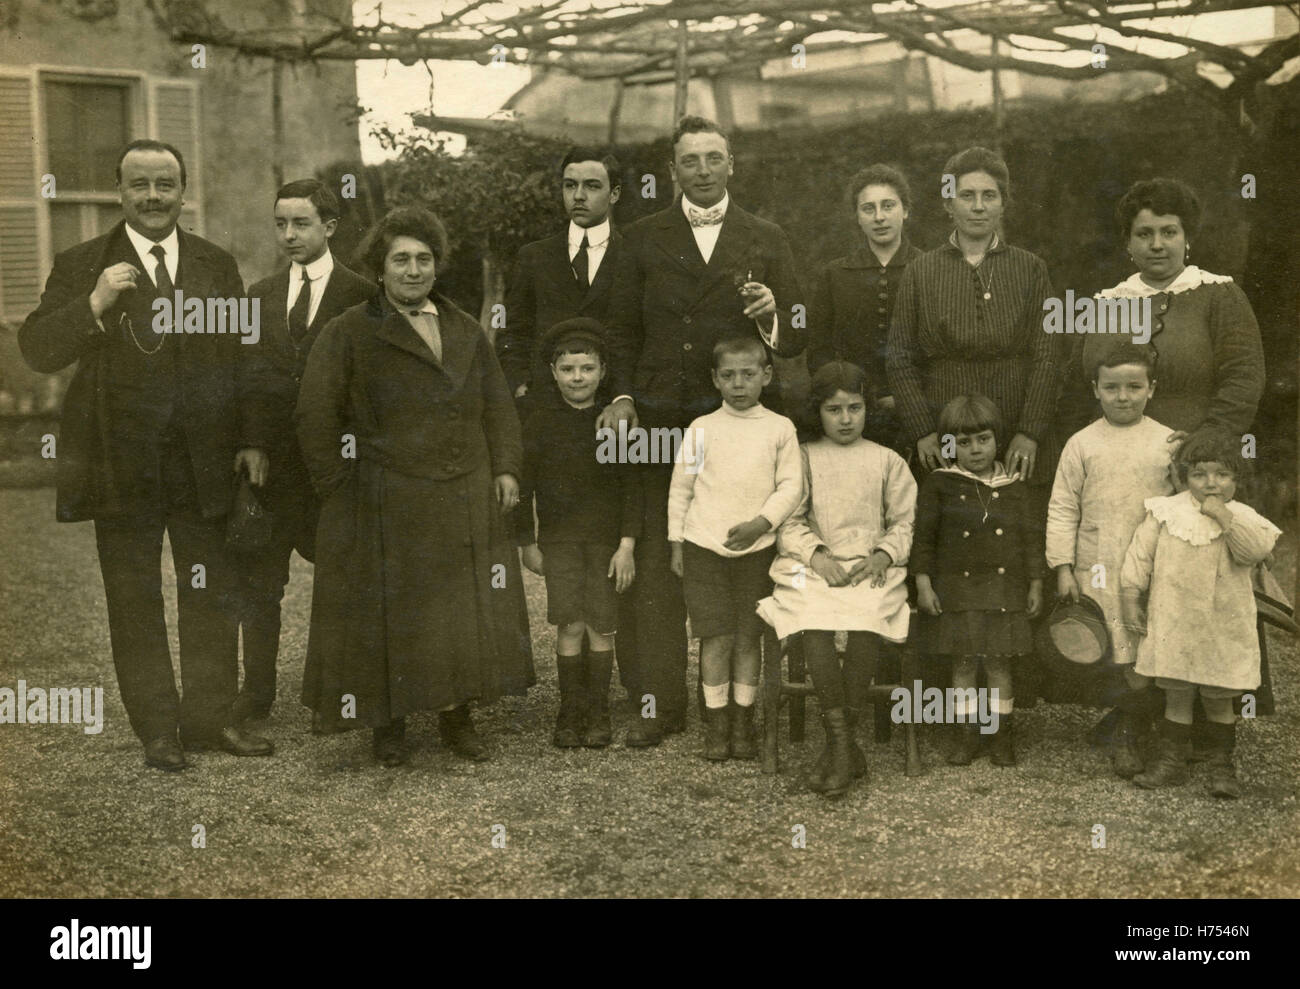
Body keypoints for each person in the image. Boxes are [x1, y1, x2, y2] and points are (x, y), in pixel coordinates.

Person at [19, 139, 272, 771]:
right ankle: (158, 729)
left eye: (165, 184)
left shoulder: (215, 265)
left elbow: (242, 360)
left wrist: (250, 438)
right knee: (134, 599)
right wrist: (94, 304)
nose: (153, 197)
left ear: (183, 191)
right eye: (140, 186)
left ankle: (208, 722)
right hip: (120, 465)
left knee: (208, 589)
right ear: (119, 192)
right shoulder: (84, 265)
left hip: (201, 464)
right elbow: (40, 350)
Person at [295, 206, 534, 768]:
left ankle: (457, 717)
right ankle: (388, 724)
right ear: (379, 268)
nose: (413, 270)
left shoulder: (463, 328)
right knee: (390, 612)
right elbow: (315, 415)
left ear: (437, 267)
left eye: (424, 259)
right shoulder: (350, 330)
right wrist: (340, 487)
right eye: (400, 259)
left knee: (457, 608)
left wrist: (505, 469)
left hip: (462, 488)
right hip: (386, 494)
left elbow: (498, 404)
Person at [602, 115, 807, 746]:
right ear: (673, 171)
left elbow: (797, 332)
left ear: (731, 164)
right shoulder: (638, 239)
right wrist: (626, 395)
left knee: (742, 557)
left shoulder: (766, 236)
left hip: (740, 422)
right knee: (666, 561)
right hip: (663, 419)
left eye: (713, 158)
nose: (703, 170)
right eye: (690, 161)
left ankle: (739, 709)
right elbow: (620, 329)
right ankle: (659, 705)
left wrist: (774, 318)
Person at [234, 179, 373, 728]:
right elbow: (245, 375)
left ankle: (336, 696)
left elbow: (368, 388)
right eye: (281, 224)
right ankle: (257, 694)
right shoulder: (258, 296)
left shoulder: (362, 295)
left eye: (301, 224)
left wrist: (348, 459)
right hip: (270, 469)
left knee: (340, 580)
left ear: (330, 227)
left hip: (332, 470)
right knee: (259, 582)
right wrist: (250, 441)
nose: (289, 235)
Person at [757, 361, 916, 797]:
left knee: (868, 615)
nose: (845, 419)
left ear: (868, 409)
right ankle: (844, 744)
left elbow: (903, 522)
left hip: (871, 566)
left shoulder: (888, 460)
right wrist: (817, 554)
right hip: (814, 566)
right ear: (818, 411)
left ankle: (838, 746)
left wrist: (883, 554)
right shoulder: (804, 458)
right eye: (834, 410)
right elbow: (789, 519)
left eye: (855, 408)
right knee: (814, 613)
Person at [1120, 430, 1280, 798]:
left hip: (1222, 625)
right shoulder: (1165, 512)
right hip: (1175, 622)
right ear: (1183, 476)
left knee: (1218, 697)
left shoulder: (1242, 516)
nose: (1211, 484)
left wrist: (1223, 515)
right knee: (1177, 694)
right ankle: (1172, 762)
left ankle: (1222, 768)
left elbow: (1254, 553)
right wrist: (1131, 597)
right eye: (1200, 474)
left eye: (1222, 475)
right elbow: (1139, 557)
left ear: (1236, 478)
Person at [887, 147, 1058, 485]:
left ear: (1003, 203)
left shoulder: (1031, 268)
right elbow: (899, 357)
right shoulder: (921, 271)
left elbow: (1048, 354)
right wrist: (923, 430)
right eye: (967, 196)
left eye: (989, 196)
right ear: (948, 204)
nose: (978, 206)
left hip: (1014, 426)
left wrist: (1030, 432)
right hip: (945, 429)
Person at [667, 336, 803, 761]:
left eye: (748, 374)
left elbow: (791, 486)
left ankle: (744, 721)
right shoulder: (701, 428)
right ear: (715, 379)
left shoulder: (780, 428)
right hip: (704, 547)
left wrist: (761, 524)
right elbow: (680, 489)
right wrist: (677, 542)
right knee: (715, 637)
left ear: (766, 375)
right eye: (728, 376)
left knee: (748, 638)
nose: (738, 384)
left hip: (758, 549)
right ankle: (717, 723)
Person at [1045, 343, 1174, 778]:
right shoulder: (1082, 444)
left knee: (1146, 647)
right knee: (1115, 650)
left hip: (1150, 565)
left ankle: (1137, 727)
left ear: (1151, 389)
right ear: (1096, 390)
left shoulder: (1167, 443)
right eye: (1112, 387)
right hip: (1098, 563)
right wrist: (1063, 568)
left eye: (1134, 387)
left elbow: (1180, 505)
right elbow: (1063, 507)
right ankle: (1126, 730)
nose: (1123, 397)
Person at [516, 318, 640, 748]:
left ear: (603, 371)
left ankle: (598, 711)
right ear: (553, 372)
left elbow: (632, 489)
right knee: (569, 623)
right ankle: (570, 710)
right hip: (560, 542)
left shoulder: (615, 424)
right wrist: (527, 543)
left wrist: (627, 545)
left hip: (606, 544)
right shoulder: (539, 423)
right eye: (568, 370)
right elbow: (523, 485)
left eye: (587, 369)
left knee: (601, 626)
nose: (577, 378)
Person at [1065, 178, 1265, 439]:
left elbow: (1243, 379)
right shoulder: (1104, 305)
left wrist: (1208, 439)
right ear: (1128, 242)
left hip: (1193, 462)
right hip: (1108, 460)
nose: (1157, 244)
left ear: (1187, 238)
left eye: (1169, 232)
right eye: (1144, 234)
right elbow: (1075, 394)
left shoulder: (1219, 296)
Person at [912, 395, 1044, 766]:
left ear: (997, 439)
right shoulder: (940, 484)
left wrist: (1036, 582)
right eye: (962, 442)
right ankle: (968, 733)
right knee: (965, 662)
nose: (974, 450)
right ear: (947, 445)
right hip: (958, 590)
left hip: (1005, 590)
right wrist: (923, 583)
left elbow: (1032, 540)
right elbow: (924, 538)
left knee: (1000, 663)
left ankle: (1000, 734)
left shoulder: (1015, 486)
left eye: (983, 439)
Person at [498, 147, 623, 410]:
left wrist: (625, 397)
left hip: (613, 410)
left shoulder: (635, 254)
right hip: (543, 406)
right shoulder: (533, 256)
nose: (578, 196)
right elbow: (512, 331)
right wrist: (520, 386)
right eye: (570, 186)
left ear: (614, 193)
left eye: (591, 186)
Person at [806, 164, 922, 449]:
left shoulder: (930, 268)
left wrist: (909, 396)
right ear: (857, 217)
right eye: (868, 209)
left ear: (905, 210)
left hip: (922, 412)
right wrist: (851, 398)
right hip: (854, 415)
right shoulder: (835, 274)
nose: (879, 217)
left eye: (888, 206)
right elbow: (819, 350)